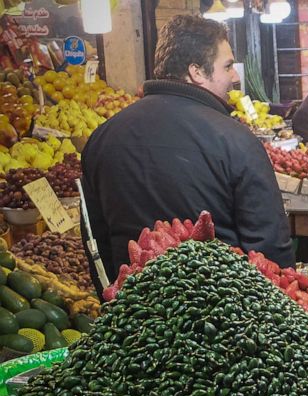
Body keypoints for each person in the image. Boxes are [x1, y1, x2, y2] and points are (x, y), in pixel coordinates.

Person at [81, 13, 293, 293]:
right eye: (227, 66)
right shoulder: (236, 140)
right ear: (197, 72)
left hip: (133, 317)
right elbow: (270, 250)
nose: (235, 76)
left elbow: (96, 239)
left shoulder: (102, 137)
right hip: (221, 314)